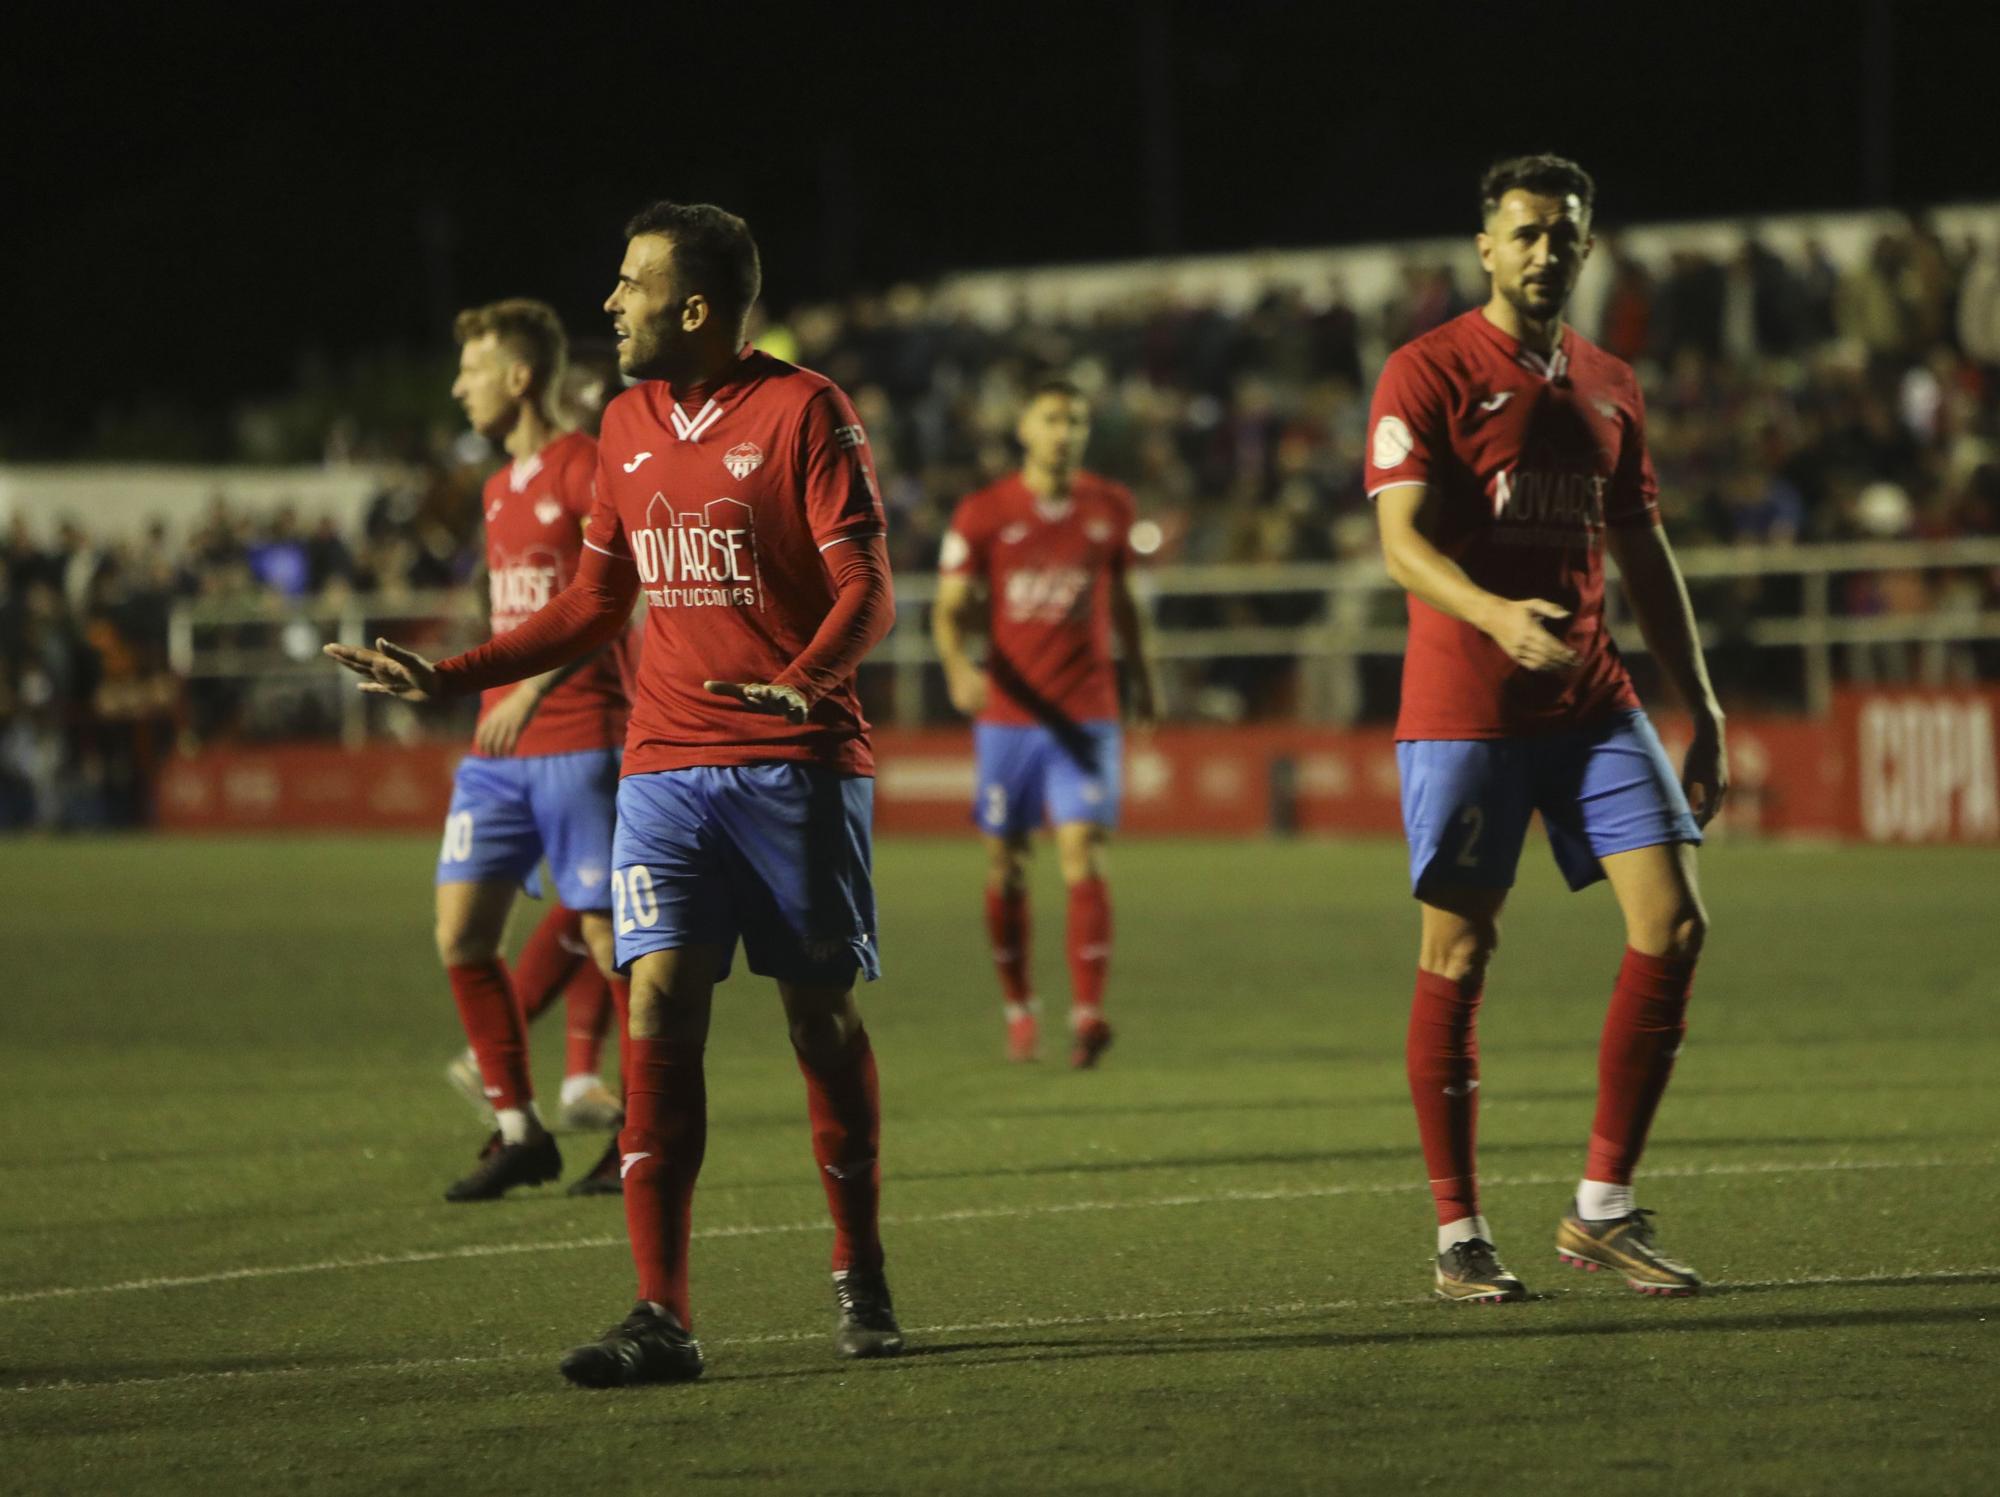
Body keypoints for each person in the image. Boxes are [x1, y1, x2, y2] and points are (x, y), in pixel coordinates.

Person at [328, 200, 902, 1384]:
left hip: (795, 769)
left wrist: (804, 681)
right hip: (663, 772)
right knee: (656, 1016)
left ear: (694, 307)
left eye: (630, 284)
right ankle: (661, 1312)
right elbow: (593, 604)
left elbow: (869, 587)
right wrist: (449, 673)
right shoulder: (627, 422)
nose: (610, 303)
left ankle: (858, 1264)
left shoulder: (805, 410)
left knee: (817, 1022)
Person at [1365, 155, 1727, 1303]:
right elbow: (1399, 544)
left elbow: (1643, 554)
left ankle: (1601, 1212)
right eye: (1521, 232)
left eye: (1561, 234)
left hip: (1590, 698)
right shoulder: (1423, 371)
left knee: (1670, 925)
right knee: (1458, 953)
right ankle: (1457, 1234)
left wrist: (1702, 702)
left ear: (1584, 246)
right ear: (1483, 246)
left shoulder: (1612, 381)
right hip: (1465, 706)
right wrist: (1486, 614)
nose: (1541, 250)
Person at [424, 299, 634, 1202]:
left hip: (578, 733)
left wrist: (537, 687)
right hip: (496, 748)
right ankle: (519, 1128)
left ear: (518, 377)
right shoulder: (496, 489)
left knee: (608, 936)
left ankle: (642, 1138)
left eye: (471, 371)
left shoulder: (588, 467)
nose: (459, 387)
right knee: (461, 935)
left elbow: (605, 600)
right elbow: (518, 613)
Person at [931, 379, 1158, 1066]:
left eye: (1076, 420)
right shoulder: (983, 512)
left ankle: (1088, 1011)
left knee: (1083, 848)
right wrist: (956, 667)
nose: (1065, 431)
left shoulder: (1110, 507)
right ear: (1024, 429)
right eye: (1052, 418)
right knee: (1008, 864)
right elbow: (946, 608)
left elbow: (1121, 600)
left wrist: (1143, 674)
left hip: (1087, 712)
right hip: (1009, 717)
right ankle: (1019, 1004)